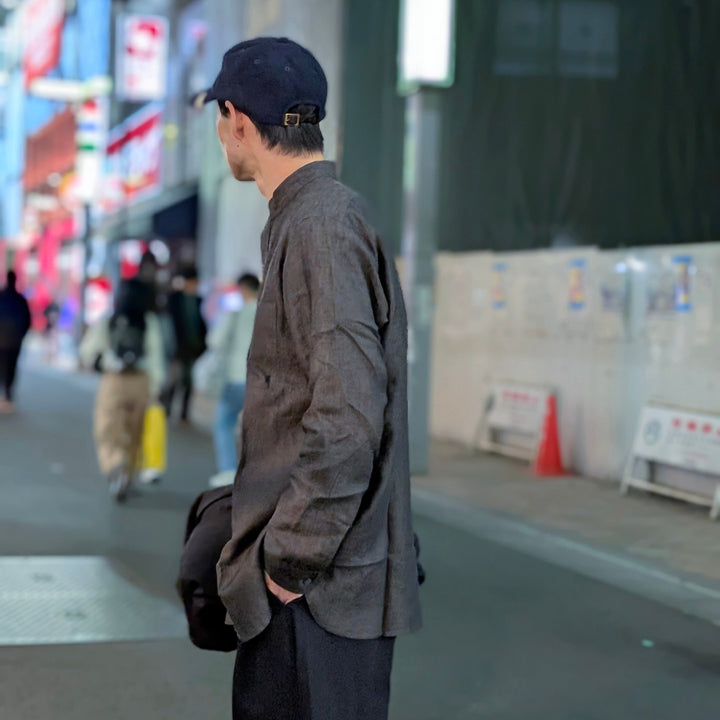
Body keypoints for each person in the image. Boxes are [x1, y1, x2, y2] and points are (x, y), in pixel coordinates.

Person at [197, 37, 422, 720]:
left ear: (237, 121)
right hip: (323, 592)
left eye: (218, 118)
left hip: (318, 600)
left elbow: (348, 415)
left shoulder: (320, 226)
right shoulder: (314, 216)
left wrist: (286, 565)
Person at [79, 278, 166, 502]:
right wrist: (157, 388)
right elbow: (156, 356)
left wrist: (98, 363)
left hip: (114, 381)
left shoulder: (110, 320)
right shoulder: (149, 322)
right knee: (134, 430)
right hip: (141, 381)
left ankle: (115, 464)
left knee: (107, 428)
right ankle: (127, 473)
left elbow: (87, 351)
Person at [208, 273, 259, 489]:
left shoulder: (235, 314)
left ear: (243, 290)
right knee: (258, 428)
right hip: (262, 380)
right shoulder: (270, 313)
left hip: (237, 376)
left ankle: (228, 470)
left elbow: (215, 341)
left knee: (224, 423)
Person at [161, 266, 207, 423]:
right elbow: (170, 325)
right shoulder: (174, 299)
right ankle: (166, 408)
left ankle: (184, 412)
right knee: (174, 378)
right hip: (177, 346)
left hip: (193, 347)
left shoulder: (198, 299)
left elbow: (201, 324)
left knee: (188, 380)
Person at [0, 271, 32, 413]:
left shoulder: (1, 296)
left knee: (2, 366)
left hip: (1, 340)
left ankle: (3, 393)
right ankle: (8, 394)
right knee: (11, 366)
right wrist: (20, 335)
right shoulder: (20, 299)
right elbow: (27, 321)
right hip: (14, 340)